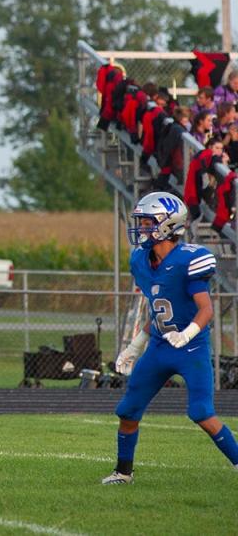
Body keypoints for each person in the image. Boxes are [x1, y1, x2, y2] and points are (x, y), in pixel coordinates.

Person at [102, 192, 238, 484]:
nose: (141, 227)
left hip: (191, 348)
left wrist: (187, 333)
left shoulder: (190, 258)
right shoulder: (141, 260)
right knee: (128, 409)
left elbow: (206, 309)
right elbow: (158, 311)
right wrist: (135, 346)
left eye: (148, 221)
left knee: (201, 412)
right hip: (160, 347)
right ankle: (123, 472)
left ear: (168, 224)